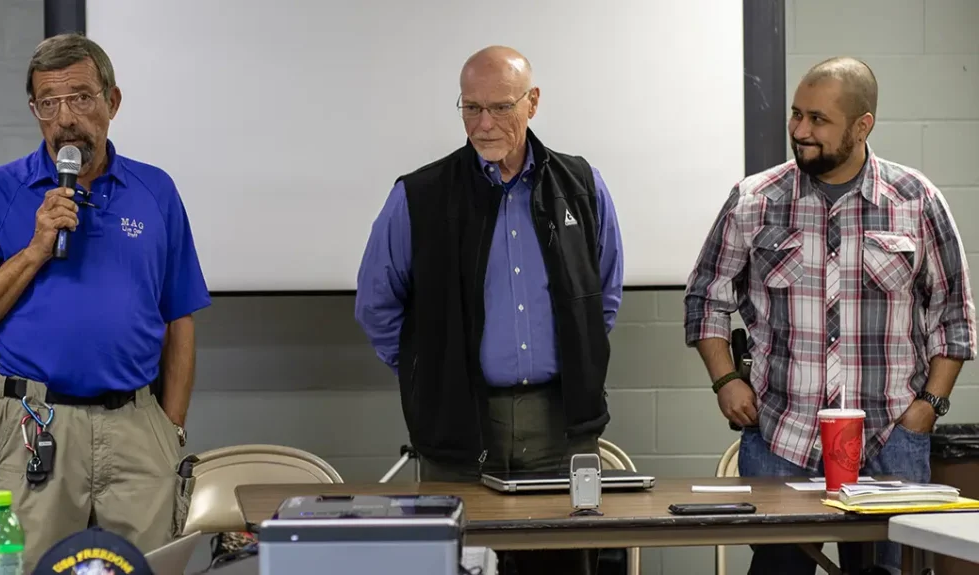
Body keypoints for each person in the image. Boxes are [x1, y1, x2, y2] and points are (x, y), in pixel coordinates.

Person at [684, 56, 976, 575]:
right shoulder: (754, 200)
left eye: (818, 120)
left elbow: (954, 313)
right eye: (797, 115)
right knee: (779, 570)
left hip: (892, 438)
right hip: (781, 435)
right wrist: (726, 379)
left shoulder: (915, 200)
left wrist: (928, 406)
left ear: (862, 126)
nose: (800, 131)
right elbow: (705, 297)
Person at [355, 45, 624, 575]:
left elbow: (604, 296)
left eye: (500, 107)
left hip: (561, 425)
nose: (484, 124)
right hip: (458, 426)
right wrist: (431, 373)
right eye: (470, 108)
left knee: (561, 565)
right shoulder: (418, 196)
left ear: (533, 103)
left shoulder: (582, 186)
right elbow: (376, 305)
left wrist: (579, 357)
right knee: (455, 564)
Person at [0, 33, 211, 571]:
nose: (65, 117)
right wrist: (34, 250)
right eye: (49, 103)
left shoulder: (156, 191)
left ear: (111, 102)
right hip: (35, 426)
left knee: (149, 567)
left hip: (139, 429)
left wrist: (171, 429)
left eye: (80, 98)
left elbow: (179, 316)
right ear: (34, 111)